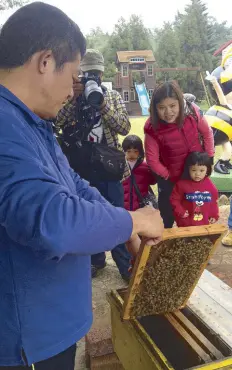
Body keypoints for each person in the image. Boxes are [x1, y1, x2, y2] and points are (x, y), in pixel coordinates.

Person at [0, 3, 164, 369]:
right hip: (28, 343)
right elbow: (52, 222)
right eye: (72, 75)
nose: (75, 89)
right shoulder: (4, 125)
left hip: (48, 330)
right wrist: (134, 222)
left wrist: (121, 217)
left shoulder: (29, 122)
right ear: (45, 62)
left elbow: (74, 185)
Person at [56, 49, 132, 281]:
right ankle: (95, 260)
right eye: (87, 74)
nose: (92, 78)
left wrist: (100, 104)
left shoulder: (113, 97)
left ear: (102, 74)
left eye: (96, 74)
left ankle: (125, 265)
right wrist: (76, 98)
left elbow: (124, 127)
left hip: (109, 167)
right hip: (81, 168)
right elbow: (57, 121)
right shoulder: (70, 95)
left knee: (116, 213)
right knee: (88, 216)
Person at [144, 81, 215, 228]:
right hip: (170, 179)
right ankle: (166, 243)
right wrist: (168, 175)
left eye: (172, 106)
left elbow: (207, 133)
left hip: (194, 173)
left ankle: (194, 241)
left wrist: (208, 158)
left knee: (196, 211)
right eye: (161, 108)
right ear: (155, 108)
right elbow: (152, 160)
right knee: (167, 214)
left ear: (180, 104)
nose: (168, 112)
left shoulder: (192, 112)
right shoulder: (153, 127)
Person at [170, 152, 219, 227]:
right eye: (193, 170)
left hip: (203, 223)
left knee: (202, 238)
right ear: (188, 169)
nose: (197, 174)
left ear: (207, 170)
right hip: (186, 223)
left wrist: (214, 215)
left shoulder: (210, 186)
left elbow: (213, 201)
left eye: (201, 170)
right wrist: (180, 211)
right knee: (186, 238)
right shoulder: (181, 184)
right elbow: (174, 199)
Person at [122, 135, 156, 211]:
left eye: (135, 151)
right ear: (123, 151)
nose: (132, 154)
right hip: (124, 208)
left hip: (141, 208)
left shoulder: (146, 166)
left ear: (140, 151)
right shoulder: (120, 166)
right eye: (128, 151)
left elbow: (153, 181)